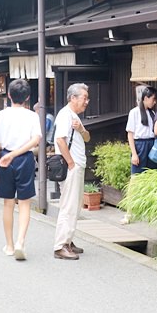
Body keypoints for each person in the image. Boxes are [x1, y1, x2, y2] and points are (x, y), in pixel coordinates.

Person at [0, 79, 42, 260]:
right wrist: (18, 153)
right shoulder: (32, 116)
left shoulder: (0, 116)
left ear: (9, 95)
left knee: (8, 203)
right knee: (24, 203)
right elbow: (36, 140)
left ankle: (9, 246)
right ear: (27, 97)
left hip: (4, 158)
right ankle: (20, 242)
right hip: (25, 159)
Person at [52, 83, 90, 260]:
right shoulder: (65, 115)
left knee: (74, 205)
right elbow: (59, 140)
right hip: (71, 167)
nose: (86, 101)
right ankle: (60, 245)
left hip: (75, 165)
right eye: (84, 97)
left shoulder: (74, 116)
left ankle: (68, 240)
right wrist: (71, 163)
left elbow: (87, 137)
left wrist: (81, 129)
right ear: (73, 98)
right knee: (68, 206)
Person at [126, 85, 157, 174]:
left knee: (153, 173)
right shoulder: (134, 112)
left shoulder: (152, 113)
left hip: (152, 143)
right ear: (146, 98)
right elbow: (130, 134)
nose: (155, 102)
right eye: (153, 99)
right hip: (140, 145)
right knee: (138, 174)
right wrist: (134, 154)